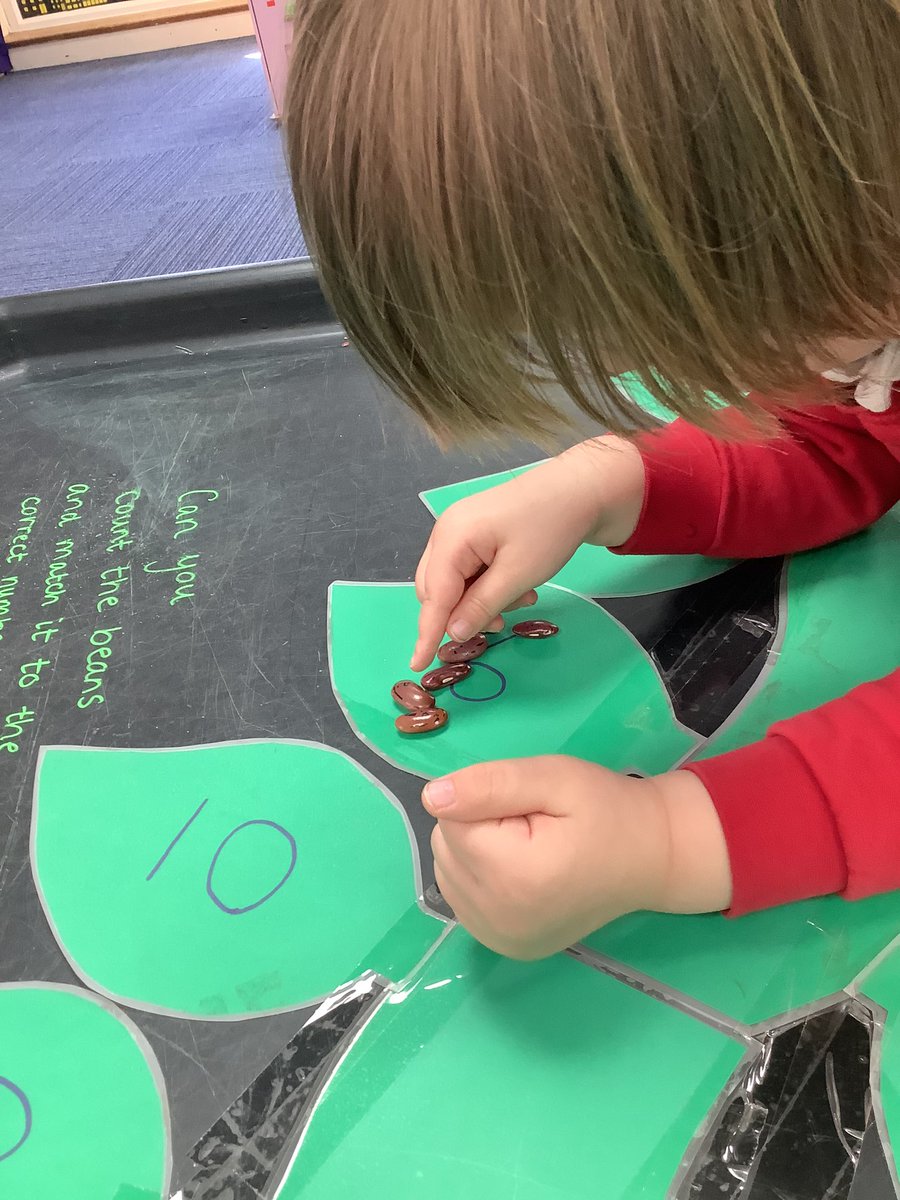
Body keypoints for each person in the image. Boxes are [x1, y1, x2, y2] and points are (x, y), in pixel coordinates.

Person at [285, 1, 900, 959]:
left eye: (747, 329)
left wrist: (675, 842)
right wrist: (616, 483)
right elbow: (858, 431)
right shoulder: (874, 281)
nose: (716, 380)